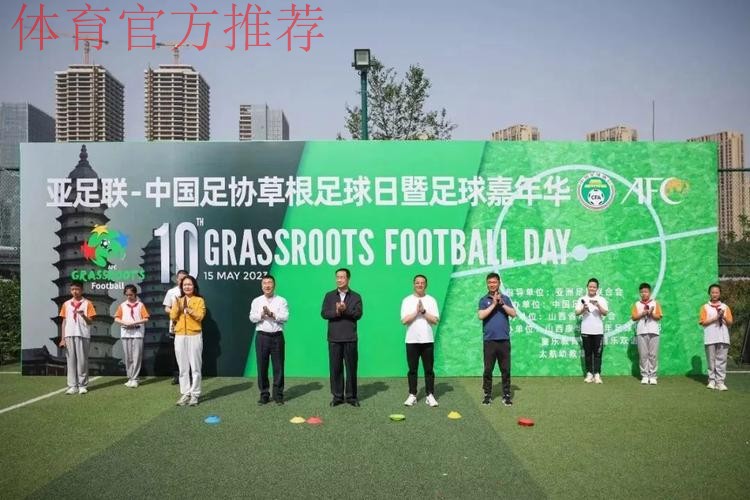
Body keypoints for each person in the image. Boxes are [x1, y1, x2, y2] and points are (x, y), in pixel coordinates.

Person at [321, 268, 363, 407]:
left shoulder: (356, 296)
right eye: (337, 277)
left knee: (351, 369)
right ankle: (337, 396)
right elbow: (324, 313)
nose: (339, 280)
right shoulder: (329, 296)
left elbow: (358, 314)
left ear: (348, 279)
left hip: (350, 338)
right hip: (334, 338)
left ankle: (351, 397)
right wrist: (337, 311)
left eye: (342, 277)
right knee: (335, 369)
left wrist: (346, 310)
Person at [400, 275, 440, 407]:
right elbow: (404, 321)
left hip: (427, 340)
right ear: (414, 284)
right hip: (411, 341)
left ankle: (430, 395)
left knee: (429, 370)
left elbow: (435, 320)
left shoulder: (431, 300)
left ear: (426, 285)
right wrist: (416, 312)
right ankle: (412, 395)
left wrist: (423, 311)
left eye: (422, 283)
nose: (420, 285)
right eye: (417, 283)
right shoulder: (407, 300)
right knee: (412, 370)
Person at [249, 275, 289, 405]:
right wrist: (261, 315)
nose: (267, 285)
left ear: (274, 285)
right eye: (265, 283)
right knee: (262, 366)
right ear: (262, 286)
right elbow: (252, 318)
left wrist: (272, 314)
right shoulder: (256, 301)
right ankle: (264, 394)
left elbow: (285, 317)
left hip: (277, 336)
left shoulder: (281, 300)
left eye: (270, 283)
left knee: (279, 367)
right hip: (262, 337)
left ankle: (278, 395)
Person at [478, 272, 516, 406]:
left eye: (494, 282)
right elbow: (481, 315)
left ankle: (506, 395)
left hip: (504, 340)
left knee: (505, 369)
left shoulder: (505, 298)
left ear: (499, 283)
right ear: (487, 284)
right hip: (489, 341)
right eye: (489, 282)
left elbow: (513, 313)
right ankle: (487, 394)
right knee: (488, 369)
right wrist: (494, 304)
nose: (492, 284)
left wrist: (501, 304)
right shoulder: (483, 300)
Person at [169, 275, 206, 406]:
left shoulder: (199, 300)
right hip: (179, 335)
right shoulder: (177, 300)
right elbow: (173, 316)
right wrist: (178, 307)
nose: (187, 287)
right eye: (185, 285)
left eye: (189, 284)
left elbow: (200, 317)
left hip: (194, 335)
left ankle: (195, 394)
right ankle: (185, 393)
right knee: (183, 368)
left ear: (194, 286)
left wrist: (189, 310)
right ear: (181, 287)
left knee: (195, 367)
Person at [58, 280, 96, 395]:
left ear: (82, 290)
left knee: (82, 361)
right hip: (69, 335)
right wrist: (63, 338)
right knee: (71, 361)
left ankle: (82, 385)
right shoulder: (66, 304)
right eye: (72, 289)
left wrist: (83, 315)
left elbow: (90, 322)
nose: (75, 291)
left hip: (83, 334)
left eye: (77, 289)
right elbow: (64, 322)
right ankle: (72, 386)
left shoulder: (87, 303)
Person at [114, 284, 150, 388]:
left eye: (131, 294)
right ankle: (130, 377)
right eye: (127, 295)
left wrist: (135, 322)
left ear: (135, 294)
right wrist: (125, 322)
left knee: (136, 357)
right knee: (128, 357)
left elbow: (146, 318)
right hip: (126, 333)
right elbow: (116, 318)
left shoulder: (140, 305)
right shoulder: (122, 305)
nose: (129, 297)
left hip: (137, 333)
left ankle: (135, 378)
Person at [699, 283, 733, 391]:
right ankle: (712, 381)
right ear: (709, 293)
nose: (714, 294)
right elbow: (703, 322)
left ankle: (720, 382)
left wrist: (723, 316)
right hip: (710, 337)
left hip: (723, 337)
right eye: (712, 292)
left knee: (721, 360)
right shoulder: (705, 307)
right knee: (711, 360)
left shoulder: (725, 307)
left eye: (717, 292)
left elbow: (730, 322)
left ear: (720, 294)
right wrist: (716, 317)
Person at [575, 277, 609, 384]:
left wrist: (598, 305)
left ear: (597, 288)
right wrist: (583, 309)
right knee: (588, 353)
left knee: (598, 354)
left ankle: (597, 374)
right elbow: (576, 312)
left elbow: (605, 313)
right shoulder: (582, 299)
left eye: (594, 287)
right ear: (587, 287)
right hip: (586, 330)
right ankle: (589, 374)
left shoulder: (601, 299)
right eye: (590, 286)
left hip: (598, 331)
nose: (592, 288)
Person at [630, 282, 663, 385]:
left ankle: (653, 376)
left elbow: (659, 317)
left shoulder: (655, 303)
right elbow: (633, 317)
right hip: (641, 331)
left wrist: (651, 313)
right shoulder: (637, 304)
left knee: (653, 355)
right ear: (639, 293)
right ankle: (644, 375)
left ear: (650, 292)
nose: (644, 294)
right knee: (643, 355)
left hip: (654, 331)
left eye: (646, 292)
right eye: (642, 292)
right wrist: (642, 313)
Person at [163, 269, 188, 384]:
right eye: (180, 279)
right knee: (176, 352)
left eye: (184, 279)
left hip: (189, 326)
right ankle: (177, 375)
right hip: (175, 326)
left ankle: (188, 375)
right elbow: (166, 308)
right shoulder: (171, 292)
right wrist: (176, 312)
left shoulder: (191, 291)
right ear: (177, 279)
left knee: (188, 351)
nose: (182, 281)